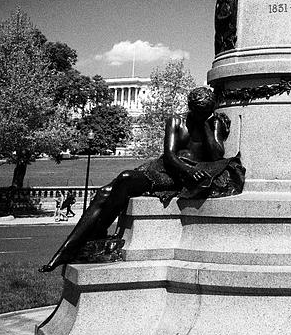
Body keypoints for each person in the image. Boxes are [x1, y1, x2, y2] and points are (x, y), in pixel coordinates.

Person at [39, 87, 245, 272]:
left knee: (125, 179)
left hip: (186, 177)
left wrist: (206, 125)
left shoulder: (213, 122)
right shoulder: (176, 121)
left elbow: (218, 155)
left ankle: (75, 247)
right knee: (104, 192)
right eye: (198, 112)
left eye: (205, 112)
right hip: (170, 168)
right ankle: (70, 248)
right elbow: (170, 156)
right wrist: (187, 170)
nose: (201, 116)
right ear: (190, 107)